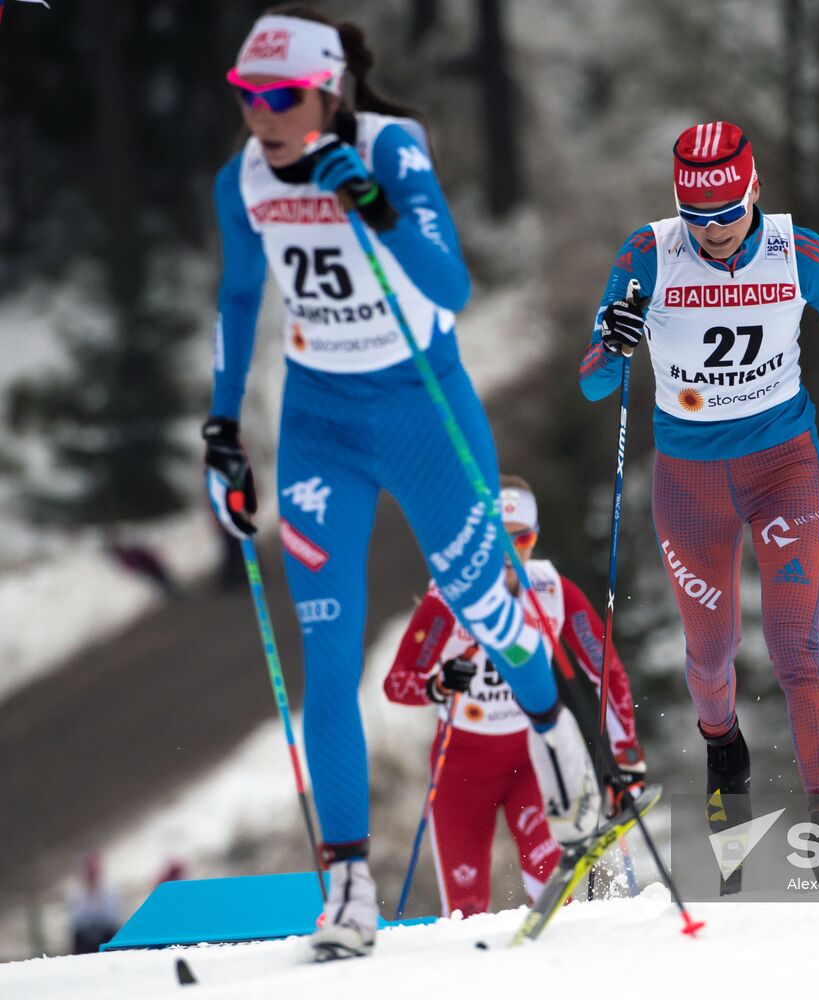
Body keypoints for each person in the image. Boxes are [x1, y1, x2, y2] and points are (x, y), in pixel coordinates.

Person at [205, 6, 598, 958]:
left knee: (482, 604)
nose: (262, 114)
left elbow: (453, 284)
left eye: (281, 95)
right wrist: (221, 426)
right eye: (247, 96)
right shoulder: (245, 179)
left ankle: (558, 744)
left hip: (421, 407)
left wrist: (374, 208)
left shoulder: (393, 146)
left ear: (328, 89)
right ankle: (346, 890)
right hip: (319, 424)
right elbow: (239, 297)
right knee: (327, 656)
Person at [579, 121, 819, 884]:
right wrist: (611, 344)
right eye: (697, 220)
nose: (712, 235)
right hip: (689, 482)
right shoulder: (647, 255)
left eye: (726, 216)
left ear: (753, 193)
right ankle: (723, 749)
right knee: (710, 657)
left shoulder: (802, 254)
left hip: (784, 466)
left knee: (795, 647)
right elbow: (592, 382)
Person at [384, 477, 646, 916]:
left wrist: (625, 755)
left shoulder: (552, 591)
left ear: (534, 539)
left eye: (521, 538)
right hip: (461, 771)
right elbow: (397, 682)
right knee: (464, 911)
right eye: (496, 539)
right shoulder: (447, 597)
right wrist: (439, 683)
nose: (509, 553)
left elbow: (607, 671)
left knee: (552, 890)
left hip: (531, 760)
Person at [68, 852, 120, 954]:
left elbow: (113, 916)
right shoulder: (77, 893)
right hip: (85, 936)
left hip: (105, 932)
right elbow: (76, 919)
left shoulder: (108, 891)